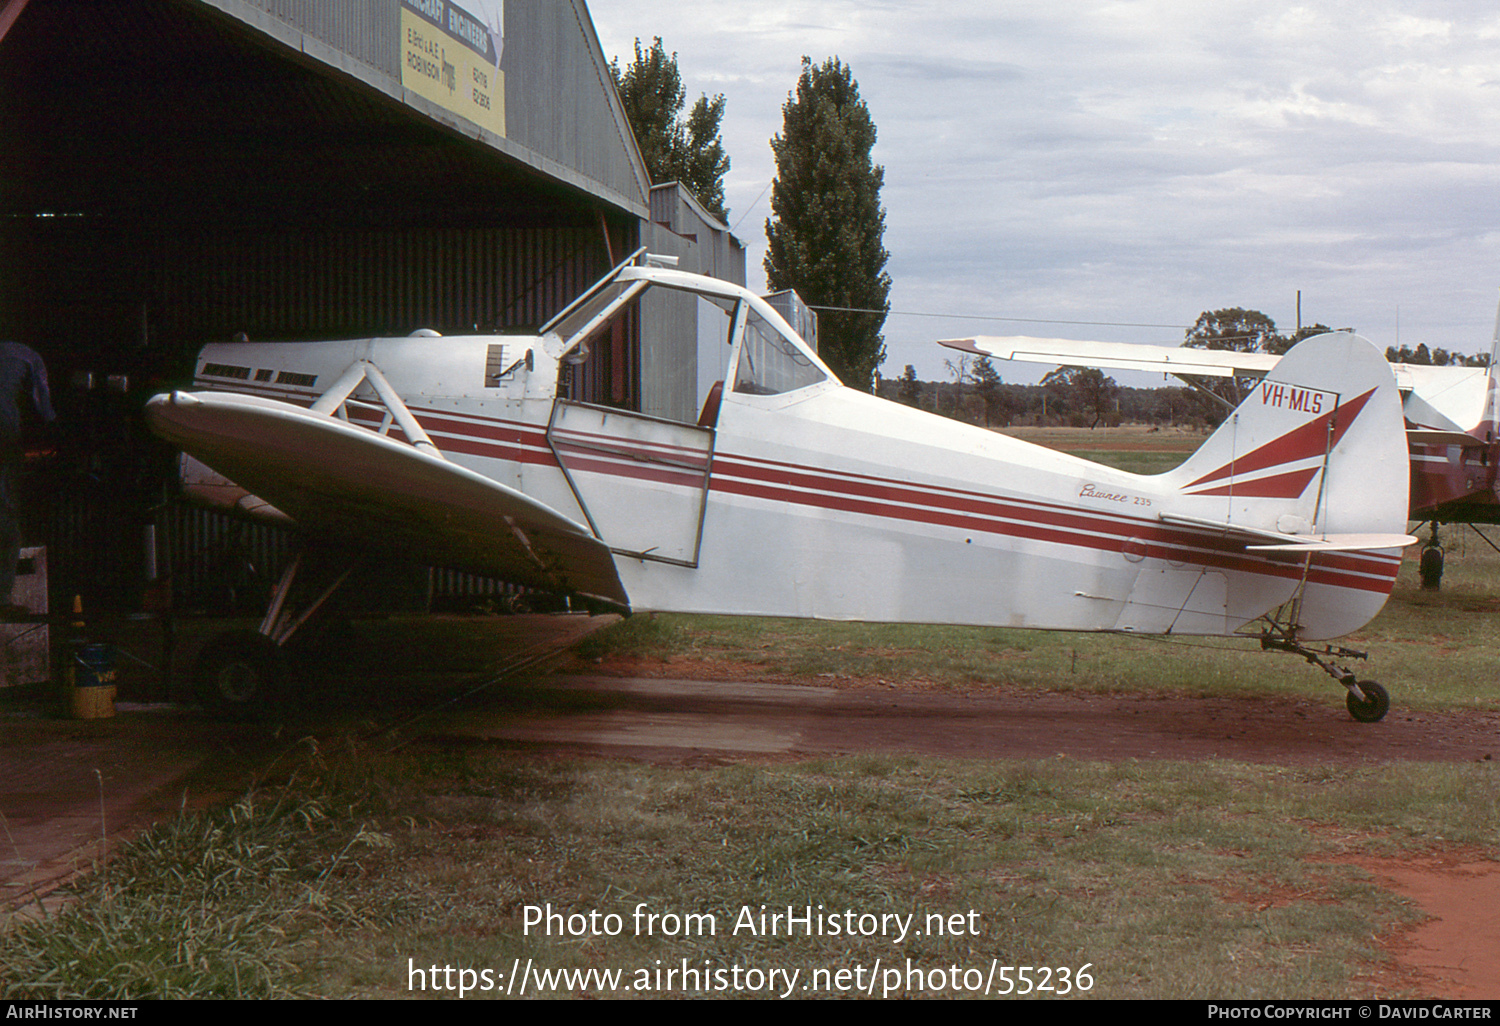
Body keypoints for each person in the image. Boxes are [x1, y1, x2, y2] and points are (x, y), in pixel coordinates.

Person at [0, 342, 54, 615]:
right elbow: (44, 408)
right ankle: (2, 600)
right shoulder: (27, 355)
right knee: (7, 525)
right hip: (5, 444)